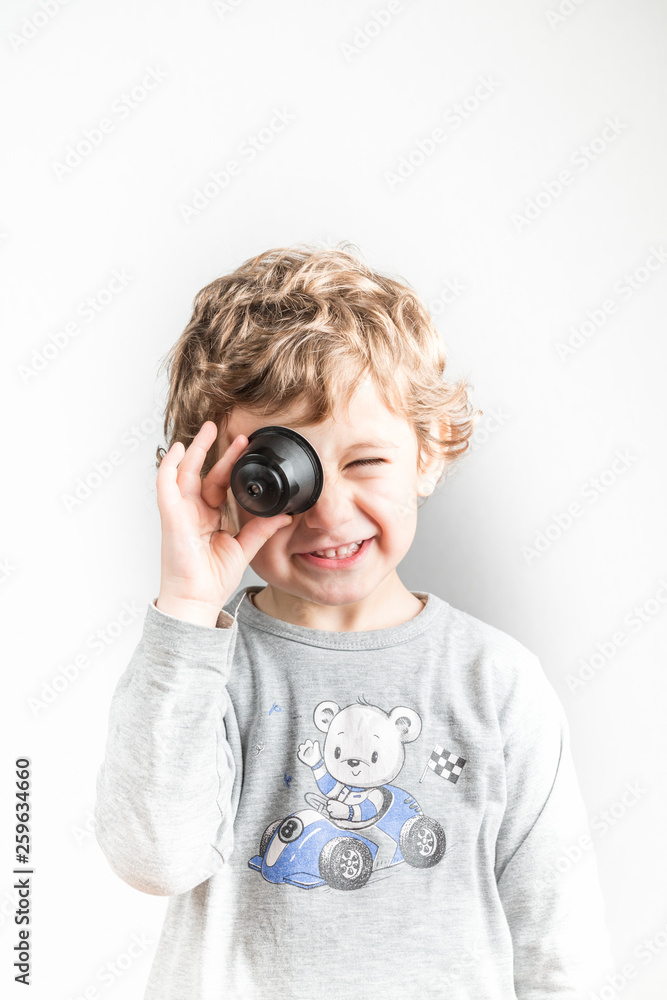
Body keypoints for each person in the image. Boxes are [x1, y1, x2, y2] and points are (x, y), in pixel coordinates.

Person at [94, 242, 615, 999]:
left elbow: (559, 946)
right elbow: (152, 858)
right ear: (219, 483)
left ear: (429, 453)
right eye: (281, 474)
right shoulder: (202, 670)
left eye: (365, 462)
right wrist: (186, 602)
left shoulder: (494, 683)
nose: (328, 512)